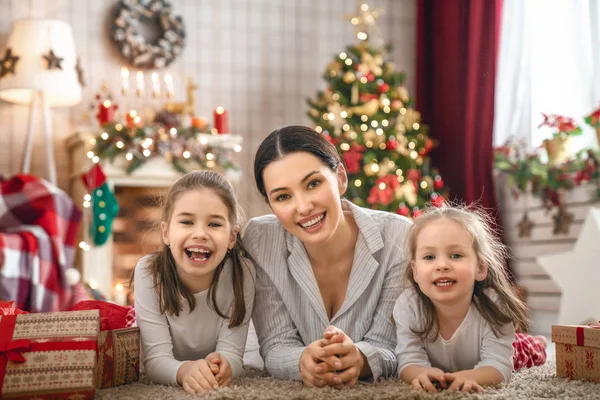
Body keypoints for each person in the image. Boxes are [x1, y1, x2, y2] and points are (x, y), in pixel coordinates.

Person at [243, 125, 413, 388]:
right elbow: (276, 345)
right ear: (271, 205)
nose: (303, 207)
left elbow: (391, 346)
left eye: (313, 183)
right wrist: (301, 360)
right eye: (283, 196)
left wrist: (361, 359)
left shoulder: (398, 237)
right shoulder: (260, 239)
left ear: (341, 178)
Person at [393, 204, 544, 393]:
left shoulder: (494, 304)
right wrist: (421, 373)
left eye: (456, 255)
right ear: (415, 271)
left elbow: (499, 365)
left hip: (505, 349)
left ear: (480, 268)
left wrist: (469, 376)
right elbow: (408, 360)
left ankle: (538, 341)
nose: (442, 265)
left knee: (526, 350)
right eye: (429, 257)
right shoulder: (409, 305)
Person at [133, 170, 255, 394]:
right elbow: (155, 361)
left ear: (232, 237)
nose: (200, 234)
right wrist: (183, 371)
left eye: (215, 224)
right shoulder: (148, 272)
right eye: (187, 221)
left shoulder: (243, 273)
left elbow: (233, 354)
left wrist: (224, 365)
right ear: (166, 232)